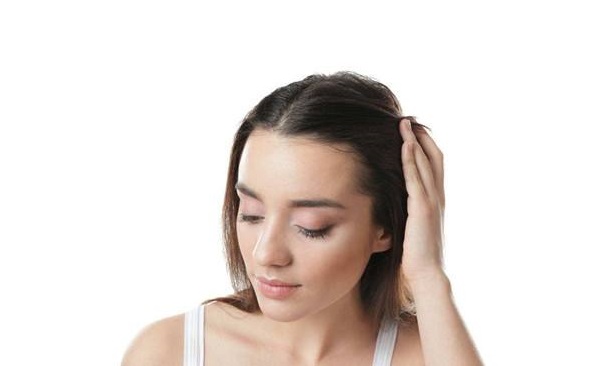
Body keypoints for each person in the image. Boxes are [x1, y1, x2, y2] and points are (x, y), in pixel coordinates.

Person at [121, 71, 483, 365]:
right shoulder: (168, 353)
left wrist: (428, 274)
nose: (266, 254)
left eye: (311, 228)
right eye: (252, 215)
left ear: (385, 228)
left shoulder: (428, 354)